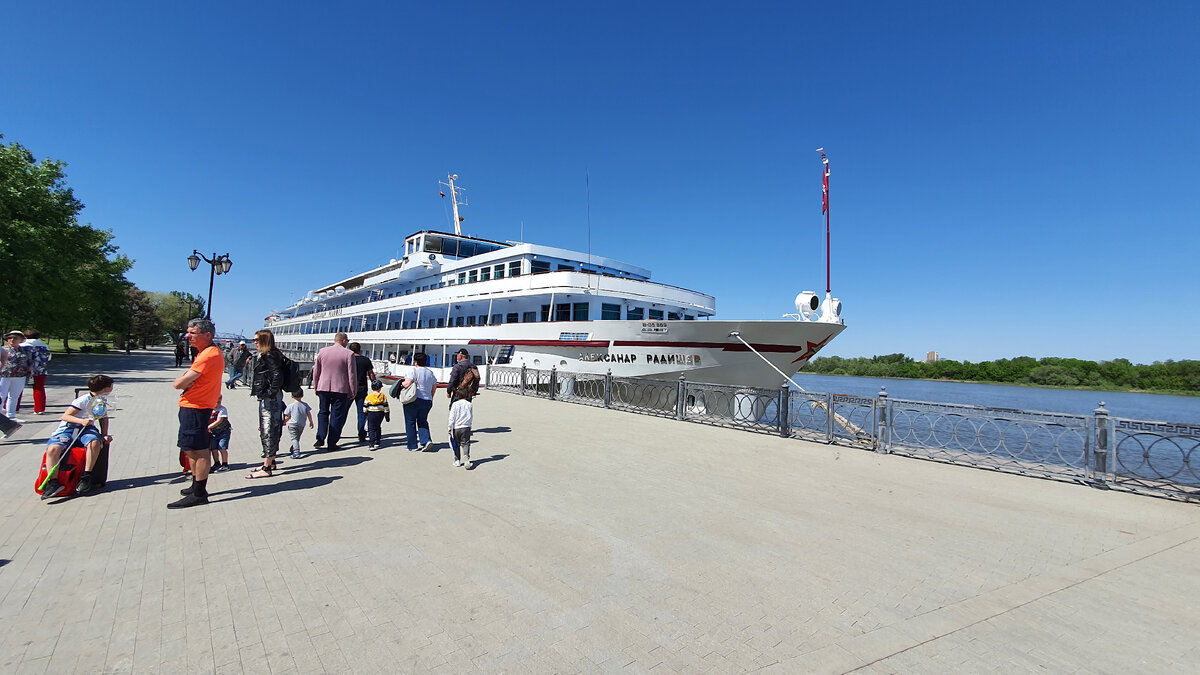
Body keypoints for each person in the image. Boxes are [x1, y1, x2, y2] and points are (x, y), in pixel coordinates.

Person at [170, 317, 224, 509]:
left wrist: (183, 382)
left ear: (207, 335)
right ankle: (195, 485)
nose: (188, 336)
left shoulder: (209, 354)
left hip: (197, 407)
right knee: (190, 448)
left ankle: (200, 492)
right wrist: (186, 381)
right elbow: (186, 380)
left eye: (193, 333)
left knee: (199, 450)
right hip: (192, 406)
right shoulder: (204, 353)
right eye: (188, 332)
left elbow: (179, 383)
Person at [41, 374, 114, 498]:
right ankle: (53, 482)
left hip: (86, 429)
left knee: (94, 443)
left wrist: (104, 435)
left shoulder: (101, 400)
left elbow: (104, 418)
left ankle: (86, 476)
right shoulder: (83, 400)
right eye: (111, 385)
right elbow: (65, 416)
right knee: (53, 448)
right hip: (69, 428)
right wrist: (81, 421)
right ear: (106, 388)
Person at [247, 329, 284, 479]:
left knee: (268, 430)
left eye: (257, 340)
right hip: (270, 396)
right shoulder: (271, 354)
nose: (254, 342)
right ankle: (270, 461)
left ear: (264, 340)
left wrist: (270, 393)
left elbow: (276, 376)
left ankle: (267, 467)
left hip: (271, 398)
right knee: (269, 428)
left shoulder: (270, 355)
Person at [310, 332, 356, 451]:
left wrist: (316, 386)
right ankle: (332, 443)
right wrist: (353, 390)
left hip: (323, 387)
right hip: (340, 388)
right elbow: (351, 374)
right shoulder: (349, 354)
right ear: (344, 341)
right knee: (337, 415)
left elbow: (316, 372)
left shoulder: (322, 351)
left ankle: (320, 438)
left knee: (323, 412)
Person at [402, 352, 438, 451]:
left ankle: (412, 445)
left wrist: (401, 384)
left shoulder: (413, 371)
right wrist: (431, 397)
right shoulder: (430, 373)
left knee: (410, 422)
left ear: (415, 362)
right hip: (427, 400)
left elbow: (407, 383)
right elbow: (435, 385)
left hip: (414, 399)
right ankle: (426, 440)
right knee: (422, 421)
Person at [0, 330, 32, 422]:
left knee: (14, 396)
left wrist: (30, 370)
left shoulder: (26, 350)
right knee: (1, 396)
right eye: (10, 338)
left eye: (15, 338)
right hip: (4, 375)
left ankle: (11, 415)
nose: (12, 339)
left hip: (20, 376)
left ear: (21, 340)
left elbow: (29, 362)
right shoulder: (3, 349)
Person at [348, 342, 375, 443]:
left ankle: (336, 434)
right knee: (362, 412)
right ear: (360, 349)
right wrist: (374, 383)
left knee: (343, 411)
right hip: (362, 388)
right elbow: (371, 373)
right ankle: (361, 433)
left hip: (348, 388)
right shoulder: (365, 360)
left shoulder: (348, 359)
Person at [23, 330, 51, 415]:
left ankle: (14, 407)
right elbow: (49, 357)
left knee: (17, 389)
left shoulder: (23, 345)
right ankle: (39, 409)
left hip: (23, 369)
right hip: (40, 369)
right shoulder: (44, 345)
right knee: (39, 389)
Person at [283, 390, 314, 459]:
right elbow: (309, 414)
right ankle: (294, 448)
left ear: (291, 396)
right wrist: (311, 421)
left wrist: (284, 421)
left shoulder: (290, 406)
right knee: (297, 438)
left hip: (292, 424)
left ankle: (296, 452)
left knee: (294, 438)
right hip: (301, 424)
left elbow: (288, 416)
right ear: (302, 396)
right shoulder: (305, 405)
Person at [448, 394, 473, 469]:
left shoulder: (455, 404)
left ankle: (457, 460)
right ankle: (466, 456)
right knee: (466, 443)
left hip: (456, 427)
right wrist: (470, 424)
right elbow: (471, 416)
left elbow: (452, 417)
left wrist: (449, 427)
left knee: (456, 444)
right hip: (466, 426)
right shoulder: (469, 404)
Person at [208, 394, 232, 472]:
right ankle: (216, 463)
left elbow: (219, 421)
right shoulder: (209, 409)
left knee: (222, 448)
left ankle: (225, 464)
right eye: (215, 402)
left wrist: (208, 427)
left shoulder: (222, 409)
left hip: (224, 432)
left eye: (219, 402)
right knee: (213, 448)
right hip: (213, 432)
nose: (217, 404)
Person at [364, 379, 390, 450]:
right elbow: (386, 406)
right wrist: (387, 415)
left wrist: (365, 412)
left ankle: (372, 443)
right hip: (380, 413)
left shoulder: (369, 397)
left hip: (371, 413)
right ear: (380, 388)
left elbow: (365, 406)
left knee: (371, 428)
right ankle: (377, 442)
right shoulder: (383, 396)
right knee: (378, 427)